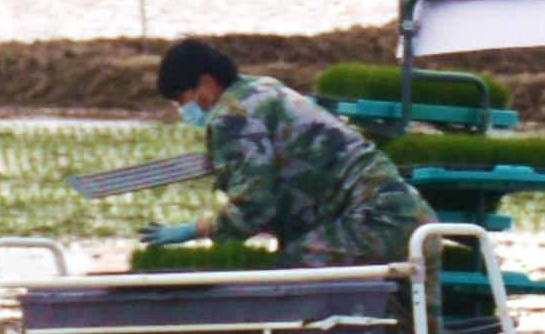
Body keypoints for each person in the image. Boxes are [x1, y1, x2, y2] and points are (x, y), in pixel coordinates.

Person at [156, 38, 427, 265]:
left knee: (288, 274)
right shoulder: (261, 88)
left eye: (182, 99)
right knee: (414, 327)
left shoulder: (233, 116)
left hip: (375, 222)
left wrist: (199, 229)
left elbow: (254, 206)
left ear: (206, 83)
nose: (183, 110)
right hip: (412, 219)